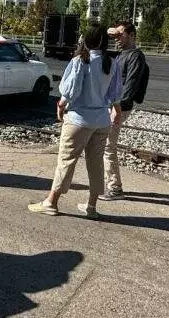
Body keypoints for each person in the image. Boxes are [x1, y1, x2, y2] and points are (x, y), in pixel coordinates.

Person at [28, 25, 122, 219]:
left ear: (85, 41)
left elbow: (71, 90)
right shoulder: (111, 63)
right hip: (101, 121)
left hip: (79, 120)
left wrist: (61, 105)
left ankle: (51, 202)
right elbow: (114, 95)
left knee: (66, 160)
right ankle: (91, 207)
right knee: (96, 163)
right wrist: (116, 111)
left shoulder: (80, 61)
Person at [99, 21, 149, 201]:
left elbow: (131, 84)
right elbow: (97, 47)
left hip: (119, 107)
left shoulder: (135, 56)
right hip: (114, 105)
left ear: (132, 35)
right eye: (115, 36)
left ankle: (115, 188)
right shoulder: (122, 54)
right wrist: (108, 32)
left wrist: (117, 107)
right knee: (104, 145)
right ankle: (109, 184)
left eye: (120, 35)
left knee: (107, 146)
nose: (117, 39)